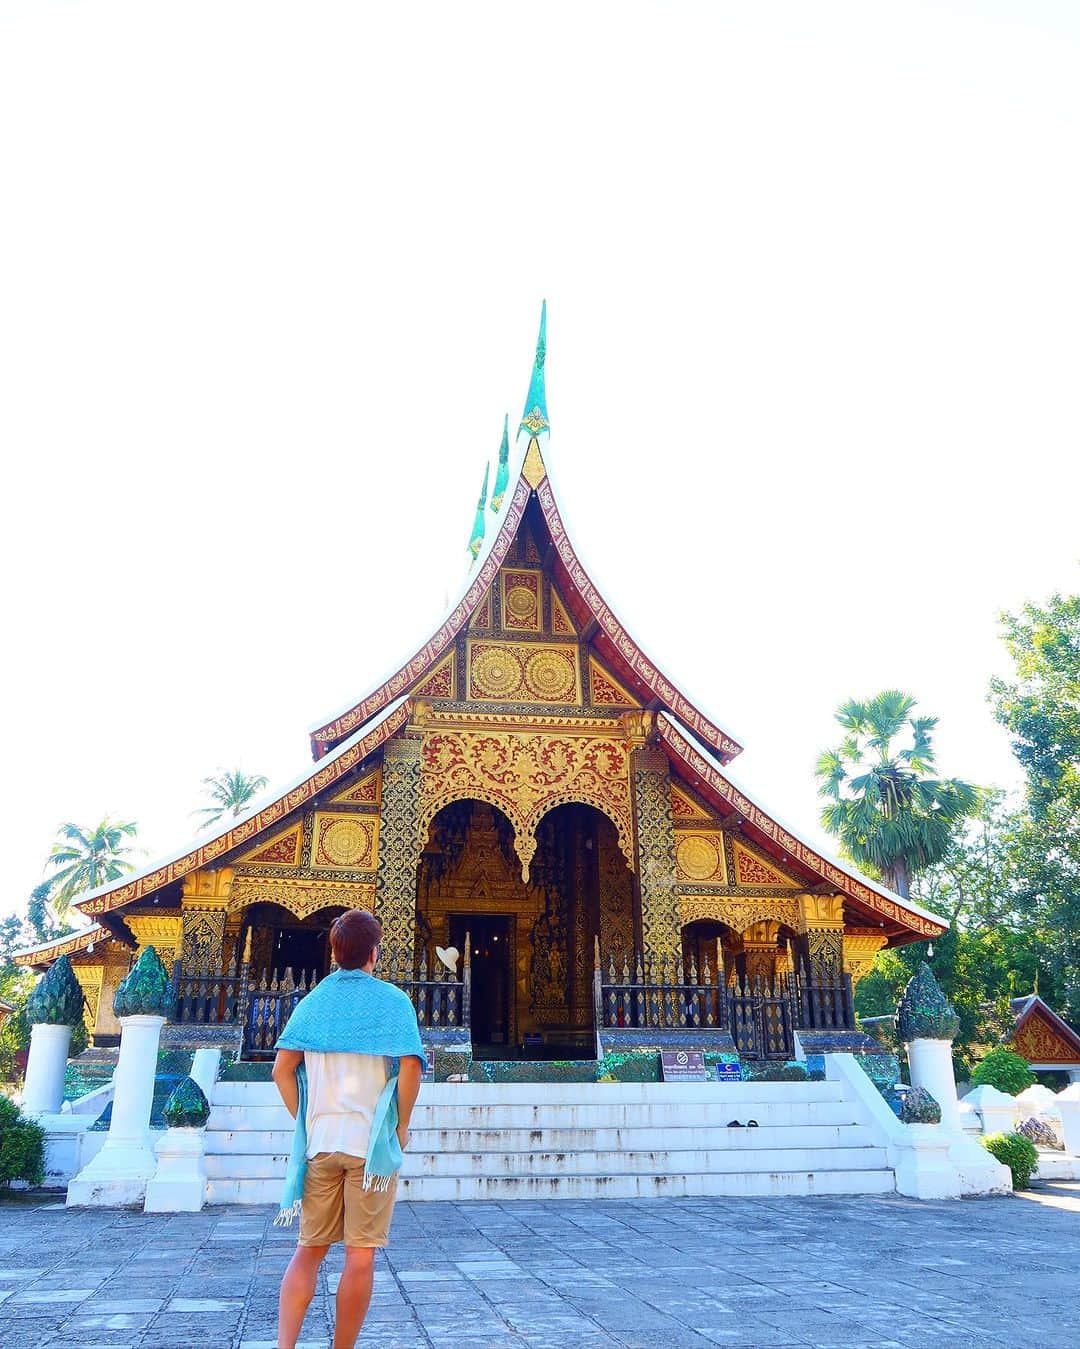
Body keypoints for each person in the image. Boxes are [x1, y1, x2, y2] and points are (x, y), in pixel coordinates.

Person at [271, 909, 425, 1349]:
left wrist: (308, 1117)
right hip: (369, 1148)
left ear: (335, 952)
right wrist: (401, 1125)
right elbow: (412, 1066)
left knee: (309, 1249)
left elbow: (282, 1070)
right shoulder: (391, 1002)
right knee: (359, 1257)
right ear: (374, 952)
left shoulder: (313, 1003)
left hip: (322, 1146)